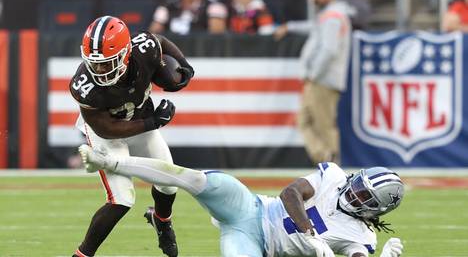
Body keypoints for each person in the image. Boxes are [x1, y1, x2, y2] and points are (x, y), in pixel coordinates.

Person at [78, 144, 405, 257]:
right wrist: (309, 233)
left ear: (375, 208)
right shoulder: (333, 176)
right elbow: (291, 193)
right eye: (358, 184)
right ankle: (107, 161)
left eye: (363, 195)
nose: (353, 192)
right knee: (192, 177)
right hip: (252, 207)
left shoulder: (362, 237)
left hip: (255, 242)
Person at [69, 15, 194, 257]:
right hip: (108, 135)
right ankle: (82, 255)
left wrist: (183, 65)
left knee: (169, 182)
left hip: (139, 121)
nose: (100, 69)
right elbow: (106, 128)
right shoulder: (84, 84)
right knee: (121, 199)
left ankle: (162, 220)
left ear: (126, 53)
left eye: (107, 62)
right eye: (95, 63)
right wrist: (153, 121)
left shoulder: (143, 49)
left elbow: (160, 42)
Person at [274, 0, 351, 164]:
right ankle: (326, 158)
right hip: (320, 79)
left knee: (323, 126)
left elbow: (329, 50)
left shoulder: (333, 16)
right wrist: (290, 27)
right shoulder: (330, 14)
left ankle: (332, 168)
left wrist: (313, 75)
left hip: (323, 80)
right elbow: (314, 27)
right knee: (305, 121)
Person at [149, 0, 227, 35]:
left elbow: (217, 33)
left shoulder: (213, 4)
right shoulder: (169, 5)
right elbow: (154, 32)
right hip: (173, 51)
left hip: (201, 51)